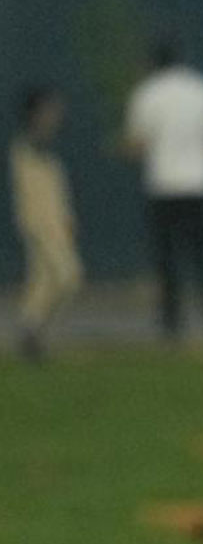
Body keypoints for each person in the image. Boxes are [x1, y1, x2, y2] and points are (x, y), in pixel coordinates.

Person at [123, 39, 203, 340]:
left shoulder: (147, 93)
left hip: (163, 186)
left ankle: (172, 323)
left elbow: (136, 144)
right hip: (200, 184)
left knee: (167, 258)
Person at [9, 86, 82, 360]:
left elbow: (56, 191)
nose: (56, 114)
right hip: (39, 224)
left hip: (55, 224)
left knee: (43, 281)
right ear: (36, 112)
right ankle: (31, 331)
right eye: (50, 109)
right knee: (68, 276)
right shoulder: (28, 144)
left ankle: (32, 334)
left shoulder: (46, 149)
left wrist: (66, 218)